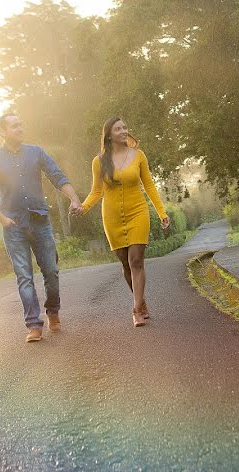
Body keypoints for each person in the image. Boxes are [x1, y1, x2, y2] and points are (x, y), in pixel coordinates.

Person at [0, 112, 83, 343]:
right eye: (14, 126)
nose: (20, 128)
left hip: (40, 221)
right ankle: (34, 324)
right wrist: (2, 218)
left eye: (21, 124)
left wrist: (74, 199)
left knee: (51, 272)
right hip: (13, 226)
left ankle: (53, 311)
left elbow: (57, 176)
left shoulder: (36, 152)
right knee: (24, 276)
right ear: (2, 131)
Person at [75, 117, 170, 327]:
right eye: (118, 129)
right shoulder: (99, 161)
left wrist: (162, 212)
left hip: (138, 211)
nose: (124, 131)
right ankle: (141, 300)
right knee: (125, 263)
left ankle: (136, 309)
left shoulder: (138, 155)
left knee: (136, 260)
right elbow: (97, 191)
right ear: (109, 134)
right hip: (112, 217)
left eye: (125, 127)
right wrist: (83, 207)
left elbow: (150, 186)